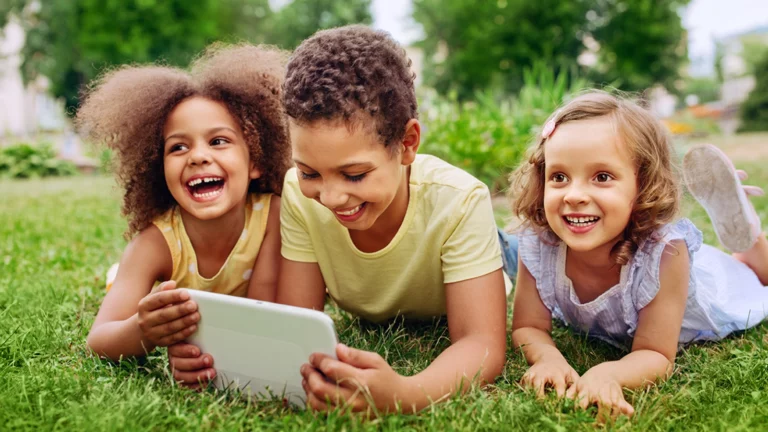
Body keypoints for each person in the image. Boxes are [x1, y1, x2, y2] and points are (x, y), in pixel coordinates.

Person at [170, 25, 508, 413]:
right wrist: (211, 361)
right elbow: (297, 322)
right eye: (311, 172)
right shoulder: (299, 193)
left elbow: (481, 343)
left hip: (488, 252)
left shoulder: (461, 201)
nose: (330, 197)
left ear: (407, 144)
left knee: (510, 250)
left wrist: (406, 394)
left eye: (355, 174)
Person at [508, 91, 768, 419]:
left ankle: (749, 231)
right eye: (559, 177)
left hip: (709, 288)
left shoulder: (666, 253)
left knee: (754, 274)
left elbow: (655, 353)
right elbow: (528, 326)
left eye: (601, 177)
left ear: (643, 185)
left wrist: (608, 374)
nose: (574, 195)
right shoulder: (539, 242)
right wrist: (548, 358)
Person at [79, 44, 291, 364]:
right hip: (147, 281)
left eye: (218, 141)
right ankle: (116, 276)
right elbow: (98, 340)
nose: (198, 156)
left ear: (255, 162)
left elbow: (261, 315)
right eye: (178, 147)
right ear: (158, 168)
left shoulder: (272, 215)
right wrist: (144, 331)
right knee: (123, 283)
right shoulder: (154, 244)